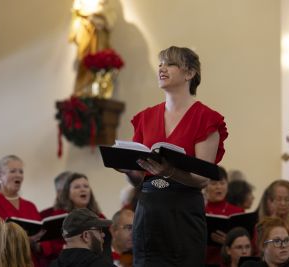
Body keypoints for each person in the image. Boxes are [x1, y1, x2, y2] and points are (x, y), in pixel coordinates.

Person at [118, 46, 228, 266]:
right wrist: (127, 168)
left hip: (183, 211)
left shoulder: (205, 118)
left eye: (170, 64)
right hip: (148, 210)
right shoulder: (145, 117)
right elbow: (140, 177)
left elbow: (203, 178)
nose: (161, 68)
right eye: (160, 64)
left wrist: (171, 172)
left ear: (189, 73)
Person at [0, 155, 44, 267]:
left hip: (29, 261)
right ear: (0, 175)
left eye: (21, 171)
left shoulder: (30, 206)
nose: (18, 175)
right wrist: (21, 239)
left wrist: (37, 242)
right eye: (13, 171)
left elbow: (41, 239)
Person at [39, 172, 111, 266]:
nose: (83, 189)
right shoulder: (59, 217)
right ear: (67, 193)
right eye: (77, 187)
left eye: (86, 186)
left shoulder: (99, 216)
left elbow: (107, 242)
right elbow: (49, 247)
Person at [69, 0, 116, 96]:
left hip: (99, 35)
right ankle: (82, 89)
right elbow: (76, 9)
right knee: (84, 60)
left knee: (97, 60)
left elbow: (110, 19)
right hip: (86, 32)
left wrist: (99, 15)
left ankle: (95, 88)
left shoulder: (104, 4)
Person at [205, 166, 244, 266]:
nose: (219, 187)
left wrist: (229, 241)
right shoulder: (200, 210)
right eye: (214, 183)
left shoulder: (238, 211)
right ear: (205, 186)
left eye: (222, 183)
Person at [50, 208, 116, 267]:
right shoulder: (102, 265)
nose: (103, 235)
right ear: (86, 235)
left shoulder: (53, 265)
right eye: (99, 230)